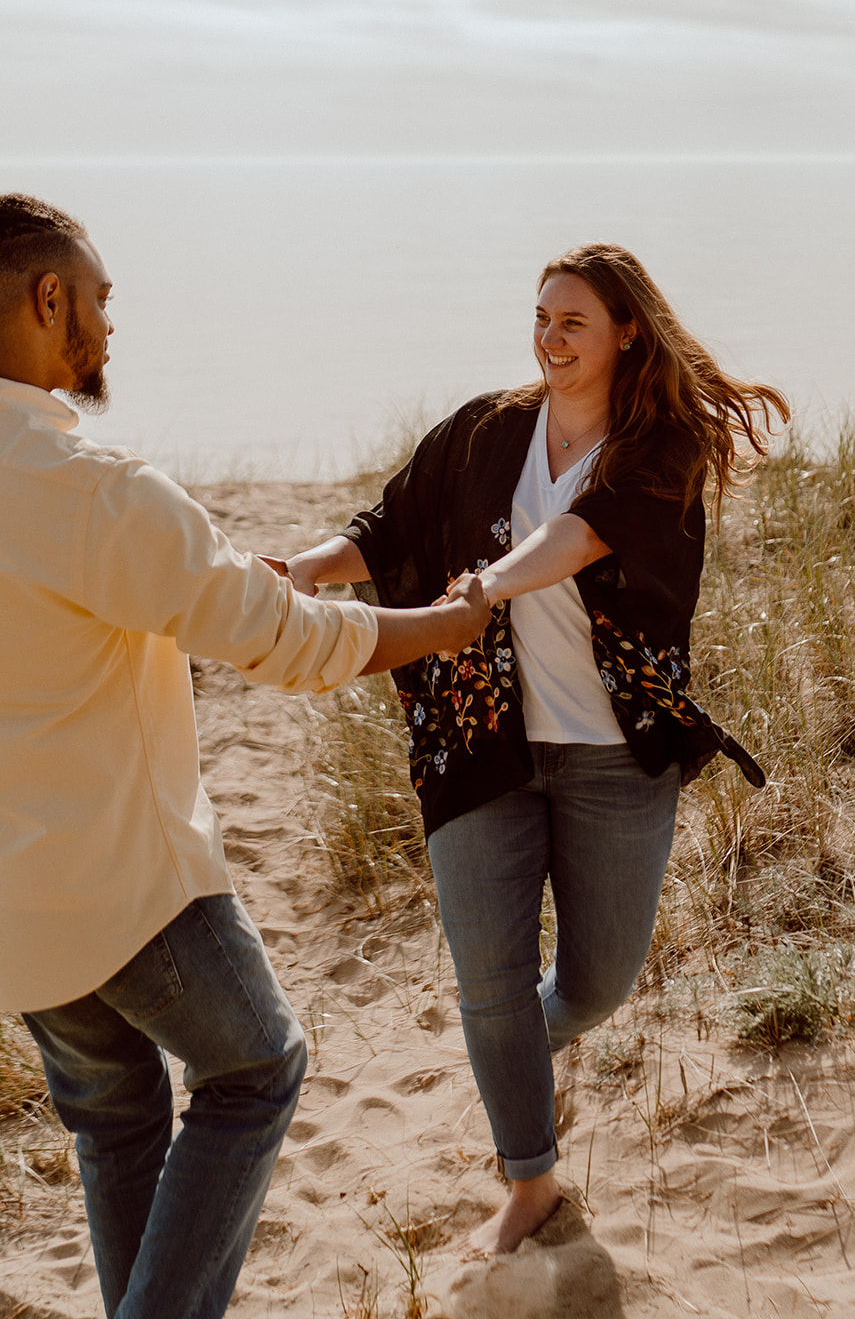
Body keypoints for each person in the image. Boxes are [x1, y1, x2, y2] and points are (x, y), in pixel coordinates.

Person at [0, 193, 490, 1319]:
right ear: (46, 296)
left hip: (18, 911)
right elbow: (289, 645)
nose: (112, 323)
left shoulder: (85, 502)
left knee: (117, 1122)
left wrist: (212, 588)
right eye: (100, 297)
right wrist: (438, 624)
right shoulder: (95, 491)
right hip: (125, 884)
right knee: (256, 1069)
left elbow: (94, 611)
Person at [281, 242, 788, 1256]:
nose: (549, 339)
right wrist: (296, 568)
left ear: (625, 332)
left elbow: (580, 538)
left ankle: (510, 1053)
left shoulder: (659, 447)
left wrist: (487, 585)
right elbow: (387, 525)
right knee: (490, 979)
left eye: (572, 323)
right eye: (541, 318)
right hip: (481, 741)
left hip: (614, 753)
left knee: (595, 984)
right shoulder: (486, 430)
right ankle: (530, 1176)